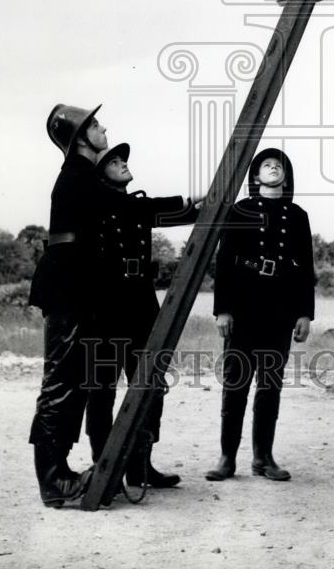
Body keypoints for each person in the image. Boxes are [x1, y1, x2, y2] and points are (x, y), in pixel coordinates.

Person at [85, 142, 198, 489]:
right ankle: (105, 468)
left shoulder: (135, 206)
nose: (122, 164)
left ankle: (140, 465)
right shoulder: (101, 203)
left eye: (123, 160)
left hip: (140, 306)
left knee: (150, 386)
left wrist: (202, 206)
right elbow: (152, 208)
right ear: (100, 174)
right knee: (101, 389)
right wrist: (187, 200)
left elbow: (177, 214)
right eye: (113, 162)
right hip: (105, 309)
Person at [205, 148, 315, 482]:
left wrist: (305, 314)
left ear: (286, 176)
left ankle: (263, 458)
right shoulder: (240, 210)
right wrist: (222, 309)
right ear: (255, 177)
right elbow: (224, 263)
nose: (272, 167)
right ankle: (227, 458)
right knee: (235, 385)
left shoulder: (297, 215)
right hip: (243, 308)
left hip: (280, 310)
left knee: (270, 387)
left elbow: (305, 267)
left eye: (278, 164)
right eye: (265, 164)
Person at [27, 102, 108, 508]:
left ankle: (58, 474)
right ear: (79, 136)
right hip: (66, 288)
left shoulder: (82, 176)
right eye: (95, 124)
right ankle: (52, 480)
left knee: (69, 382)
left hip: (72, 286)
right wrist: (187, 205)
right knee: (59, 383)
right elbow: (125, 210)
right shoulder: (79, 177)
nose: (103, 128)